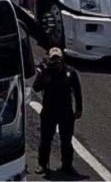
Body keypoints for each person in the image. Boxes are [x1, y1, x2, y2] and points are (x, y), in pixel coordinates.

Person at [35, 47, 83, 176]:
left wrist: (79, 108)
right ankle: (42, 164)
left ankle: (67, 165)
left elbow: (77, 90)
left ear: (62, 59)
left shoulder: (70, 72)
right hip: (49, 111)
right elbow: (36, 87)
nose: (56, 62)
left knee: (66, 140)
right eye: (53, 59)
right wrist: (43, 74)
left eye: (58, 59)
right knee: (45, 139)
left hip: (65, 112)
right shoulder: (46, 72)